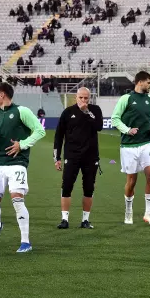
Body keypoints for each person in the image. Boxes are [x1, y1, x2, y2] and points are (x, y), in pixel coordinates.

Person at [0, 83, 45, 252]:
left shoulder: (21, 111)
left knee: (17, 200)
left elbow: (40, 130)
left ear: (2, 94)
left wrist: (22, 144)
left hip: (17, 163)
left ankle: (25, 242)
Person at [111, 71, 150, 226]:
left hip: (146, 143)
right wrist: (127, 130)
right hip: (129, 146)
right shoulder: (126, 99)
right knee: (131, 181)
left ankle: (148, 213)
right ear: (140, 82)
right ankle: (128, 210)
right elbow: (115, 119)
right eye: (149, 82)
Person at [53, 87, 103, 229]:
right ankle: (64, 220)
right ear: (76, 97)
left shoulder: (95, 110)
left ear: (89, 98)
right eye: (81, 97)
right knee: (66, 186)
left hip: (91, 156)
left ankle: (85, 220)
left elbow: (99, 126)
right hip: (72, 156)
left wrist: (86, 111)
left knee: (88, 188)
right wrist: (56, 157)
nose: (83, 100)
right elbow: (58, 136)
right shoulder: (67, 112)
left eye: (86, 98)